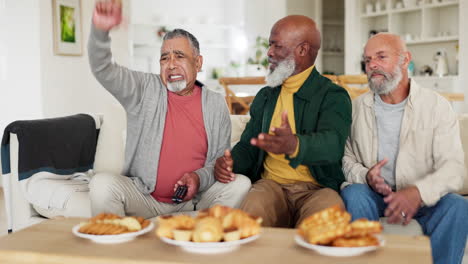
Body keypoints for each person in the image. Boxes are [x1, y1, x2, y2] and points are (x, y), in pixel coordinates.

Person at [87, 0, 250, 218]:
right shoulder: (143, 89)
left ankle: (195, 228)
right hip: (145, 198)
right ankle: (122, 245)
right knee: (101, 184)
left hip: (196, 201)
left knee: (240, 184)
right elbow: (103, 68)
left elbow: (216, 164)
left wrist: (197, 178)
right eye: (164, 58)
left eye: (179, 56)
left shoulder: (215, 103)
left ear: (198, 63)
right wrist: (100, 32)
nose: (171, 64)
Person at [341, 33, 468, 264]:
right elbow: (346, 159)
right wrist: (366, 176)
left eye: (381, 57)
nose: (373, 65)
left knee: (457, 206)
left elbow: (454, 168)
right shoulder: (356, 108)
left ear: (405, 59)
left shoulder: (437, 106)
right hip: (375, 196)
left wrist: (417, 192)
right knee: (354, 194)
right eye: (368, 60)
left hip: (425, 198)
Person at [214, 15, 352, 227]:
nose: (269, 52)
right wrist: (232, 162)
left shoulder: (333, 96)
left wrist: (295, 145)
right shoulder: (266, 96)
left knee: (327, 217)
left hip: (317, 190)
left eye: (276, 46)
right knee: (252, 211)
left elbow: (332, 144)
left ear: (303, 50)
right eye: (270, 45)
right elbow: (249, 145)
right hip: (272, 186)